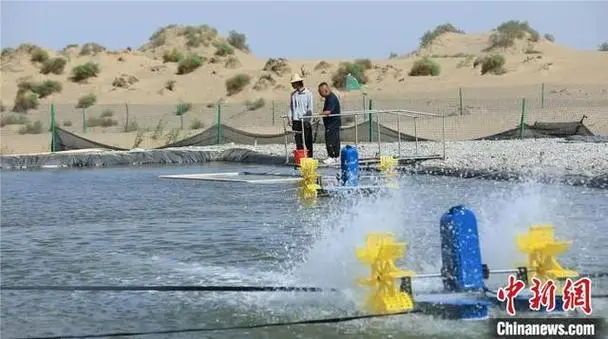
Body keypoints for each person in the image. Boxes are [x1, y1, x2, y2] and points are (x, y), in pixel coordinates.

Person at [287, 74, 314, 158]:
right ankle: (301, 158)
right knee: (298, 141)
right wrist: (290, 118)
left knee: (307, 140)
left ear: (298, 83)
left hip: (305, 121)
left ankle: (309, 158)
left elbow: (310, 108)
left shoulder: (308, 94)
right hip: (296, 121)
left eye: (293, 83)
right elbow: (291, 107)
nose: (292, 85)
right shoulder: (293, 95)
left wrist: (308, 120)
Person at [318, 82, 341, 165]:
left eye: (320, 92)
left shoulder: (331, 98)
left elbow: (328, 111)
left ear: (325, 90)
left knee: (330, 140)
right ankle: (336, 156)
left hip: (333, 124)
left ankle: (332, 156)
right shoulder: (328, 98)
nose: (320, 94)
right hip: (331, 123)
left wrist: (319, 114)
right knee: (334, 139)